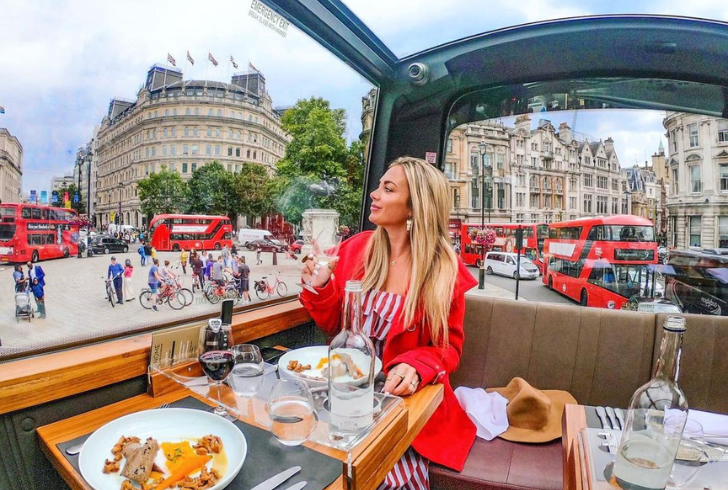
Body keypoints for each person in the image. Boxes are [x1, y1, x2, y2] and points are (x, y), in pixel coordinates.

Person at [299, 157, 478, 487]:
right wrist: (321, 286)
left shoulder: (443, 271)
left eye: (388, 188)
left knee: (380, 479)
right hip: (343, 390)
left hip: (398, 404)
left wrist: (415, 367)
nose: (373, 194)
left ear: (413, 207)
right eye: (378, 185)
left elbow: (449, 349)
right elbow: (333, 325)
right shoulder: (356, 249)